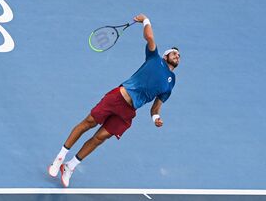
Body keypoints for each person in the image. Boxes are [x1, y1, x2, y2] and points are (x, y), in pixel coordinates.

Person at [48, 13, 180, 187]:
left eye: (179, 55)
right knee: (88, 123)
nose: (177, 55)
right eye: (174, 53)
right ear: (165, 56)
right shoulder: (154, 58)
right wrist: (145, 20)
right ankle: (59, 158)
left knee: (100, 138)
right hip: (118, 97)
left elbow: (156, 107)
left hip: (128, 112)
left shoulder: (171, 83)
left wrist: (156, 118)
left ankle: (70, 167)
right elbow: (149, 36)